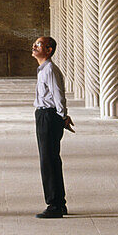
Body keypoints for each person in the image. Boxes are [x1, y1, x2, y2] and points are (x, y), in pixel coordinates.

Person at [32, 36, 73, 218]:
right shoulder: (43, 69)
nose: (34, 46)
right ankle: (59, 202)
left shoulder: (49, 70)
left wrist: (63, 116)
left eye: (38, 44)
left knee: (48, 161)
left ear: (48, 50)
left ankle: (54, 205)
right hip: (45, 114)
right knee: (51, 159)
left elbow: (58, 94)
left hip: (49, 116)